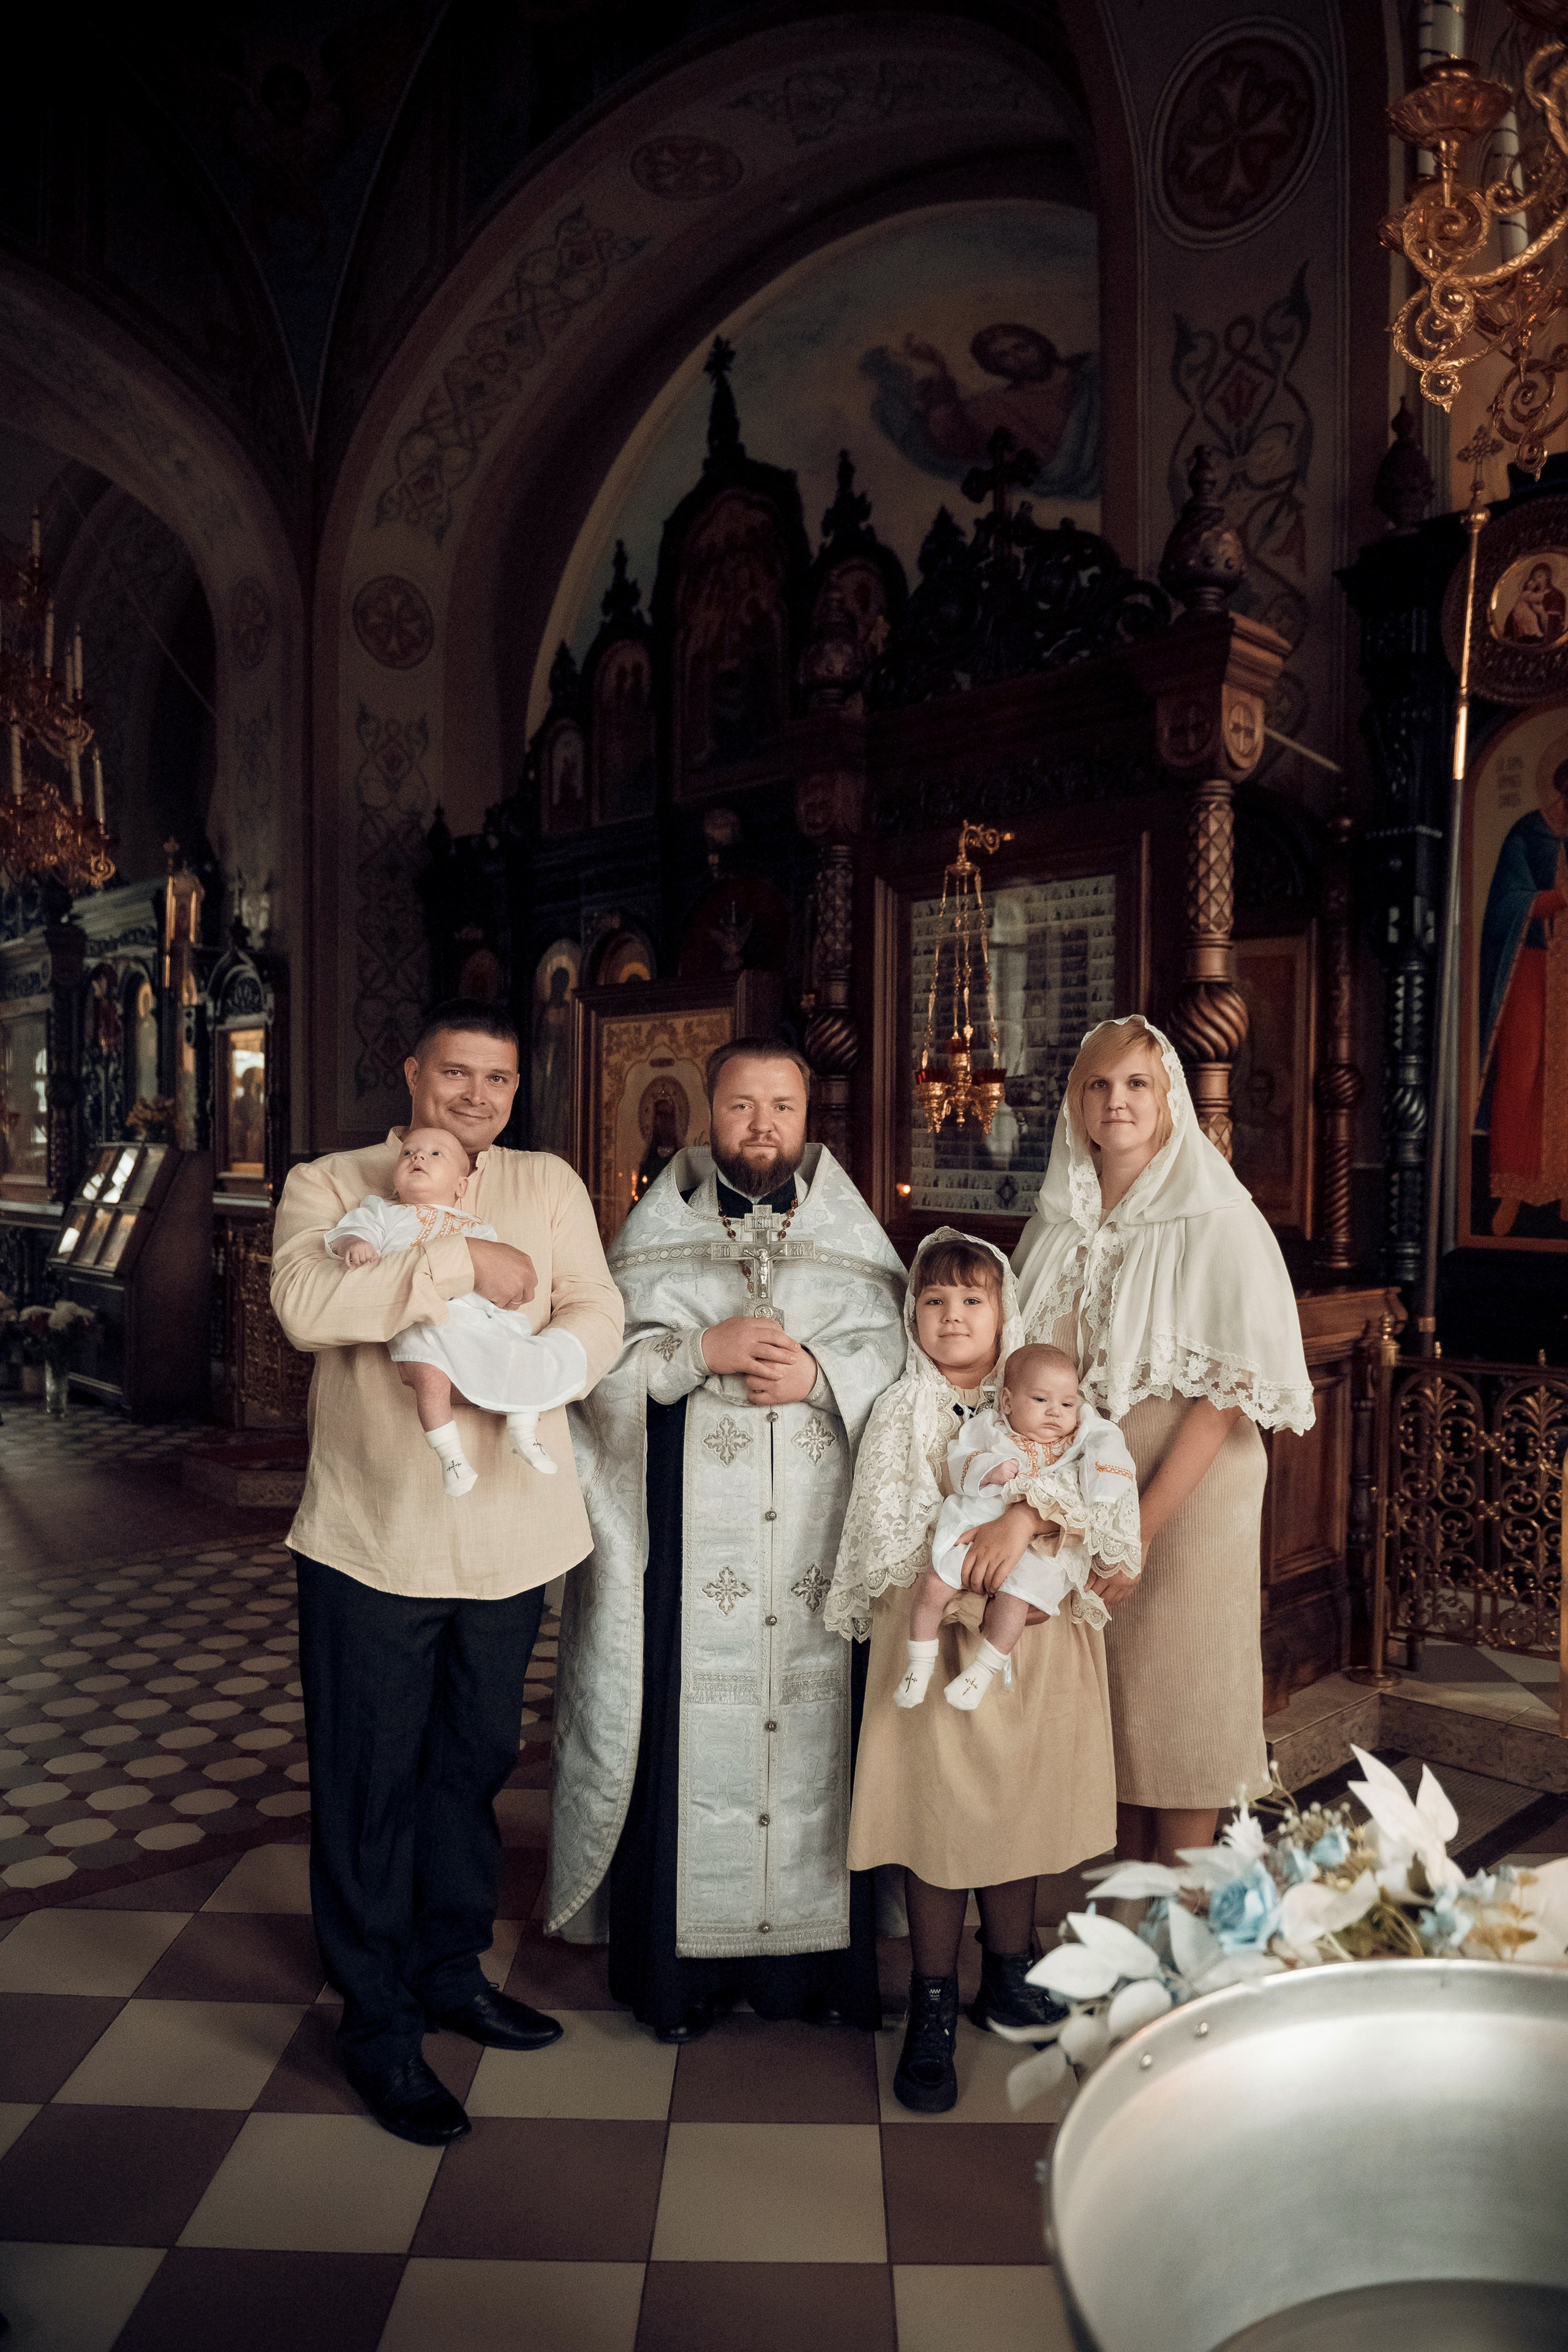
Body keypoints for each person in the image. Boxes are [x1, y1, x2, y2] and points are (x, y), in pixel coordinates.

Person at [271, 1000, 624, 2147]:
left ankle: (449, 1971)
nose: (477, 1095)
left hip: (512, 1536)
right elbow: (308, 1306)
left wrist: (541, 1372)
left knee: (471, 1765)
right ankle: (376, 2021)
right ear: (413, 1070)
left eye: (499, 1080)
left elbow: (595, 1307)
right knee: (369, 1779)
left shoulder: (548, 1183)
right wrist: (462, 1260)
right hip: (375, 1535)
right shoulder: (331, 1182)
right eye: (457, 1073)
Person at [548, 1038, 907, 2042]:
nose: (762, 1125)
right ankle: (681, 1980)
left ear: (807, 1117)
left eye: (781, 1106)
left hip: (820, 1554)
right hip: (689, 1557)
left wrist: (824, 1377)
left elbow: (906, 1360)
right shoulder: (655, 1236)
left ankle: (815, 1976)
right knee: (684, 1727)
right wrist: (695, 1350)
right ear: (709, 1115)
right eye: (743, 1105)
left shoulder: (853, 1238)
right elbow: (595, 1370)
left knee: (821, 1732)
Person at [1011, 1016, 1314, 1879]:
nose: (1118, 1101)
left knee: (1183, 1694)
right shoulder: (1058, 1223)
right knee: (1111, 1701)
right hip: (1087, 1483)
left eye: (1137, 1084)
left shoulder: (1217, 1217)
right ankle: (1124, 1904)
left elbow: (1222, 1400)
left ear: (1169, 1098)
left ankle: (1180, 1910)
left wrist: (1139, 1527)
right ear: (1076, 1104)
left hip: (1190, 1487)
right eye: (1099, 1085)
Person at [827, 1231, 1118, 2112]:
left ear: (1004, 1312)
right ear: (911, 1314)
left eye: (972, 1300)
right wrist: (963, 1584)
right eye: (934, 1301)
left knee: (1013, 1804)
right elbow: (890, 1527)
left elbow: (1099, 1491)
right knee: (941, 1818)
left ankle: (1009, 1972)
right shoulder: (905, 1410)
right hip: (937, 1638)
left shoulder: (1047, 1397)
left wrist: (1027, 1520)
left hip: (1030, 1637)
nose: (952, 1317)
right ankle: (933, 1998)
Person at [325, 1125, 586, 1487]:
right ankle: (452, 1459)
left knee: (522, 1357)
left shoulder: (475, 1227)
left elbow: (498, 1279)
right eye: (407, 1153)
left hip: (476, 1318)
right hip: (424, 1320)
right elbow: (348, 1233)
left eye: (436, 1154)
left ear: (460, 1187)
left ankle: (525, 1434)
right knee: (431, 1380)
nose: (418, 1156)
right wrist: (355, 1243)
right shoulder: (382, 1212)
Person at [904, 1340, 1141, 1711]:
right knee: (935, 1583)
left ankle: (980, 1673)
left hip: (1041, 1541)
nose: (1055, 1412)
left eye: (1067, 1404)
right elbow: (960, 1458)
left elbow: (1108, 1448)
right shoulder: (989, 1427)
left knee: (1016, 1601)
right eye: (1041, 1400)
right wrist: (988, 1469)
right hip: (981, 1521)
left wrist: (1105, 1488)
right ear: (1008, 1402)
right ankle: (919, 1665)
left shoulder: (1082, 1432)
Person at [1477, 752, 1568, 1234]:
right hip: (1531, 966)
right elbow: (1503, 906)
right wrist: (1553, 900)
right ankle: (1512, 1189)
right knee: (1522, 1072)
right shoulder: (1528, 833)